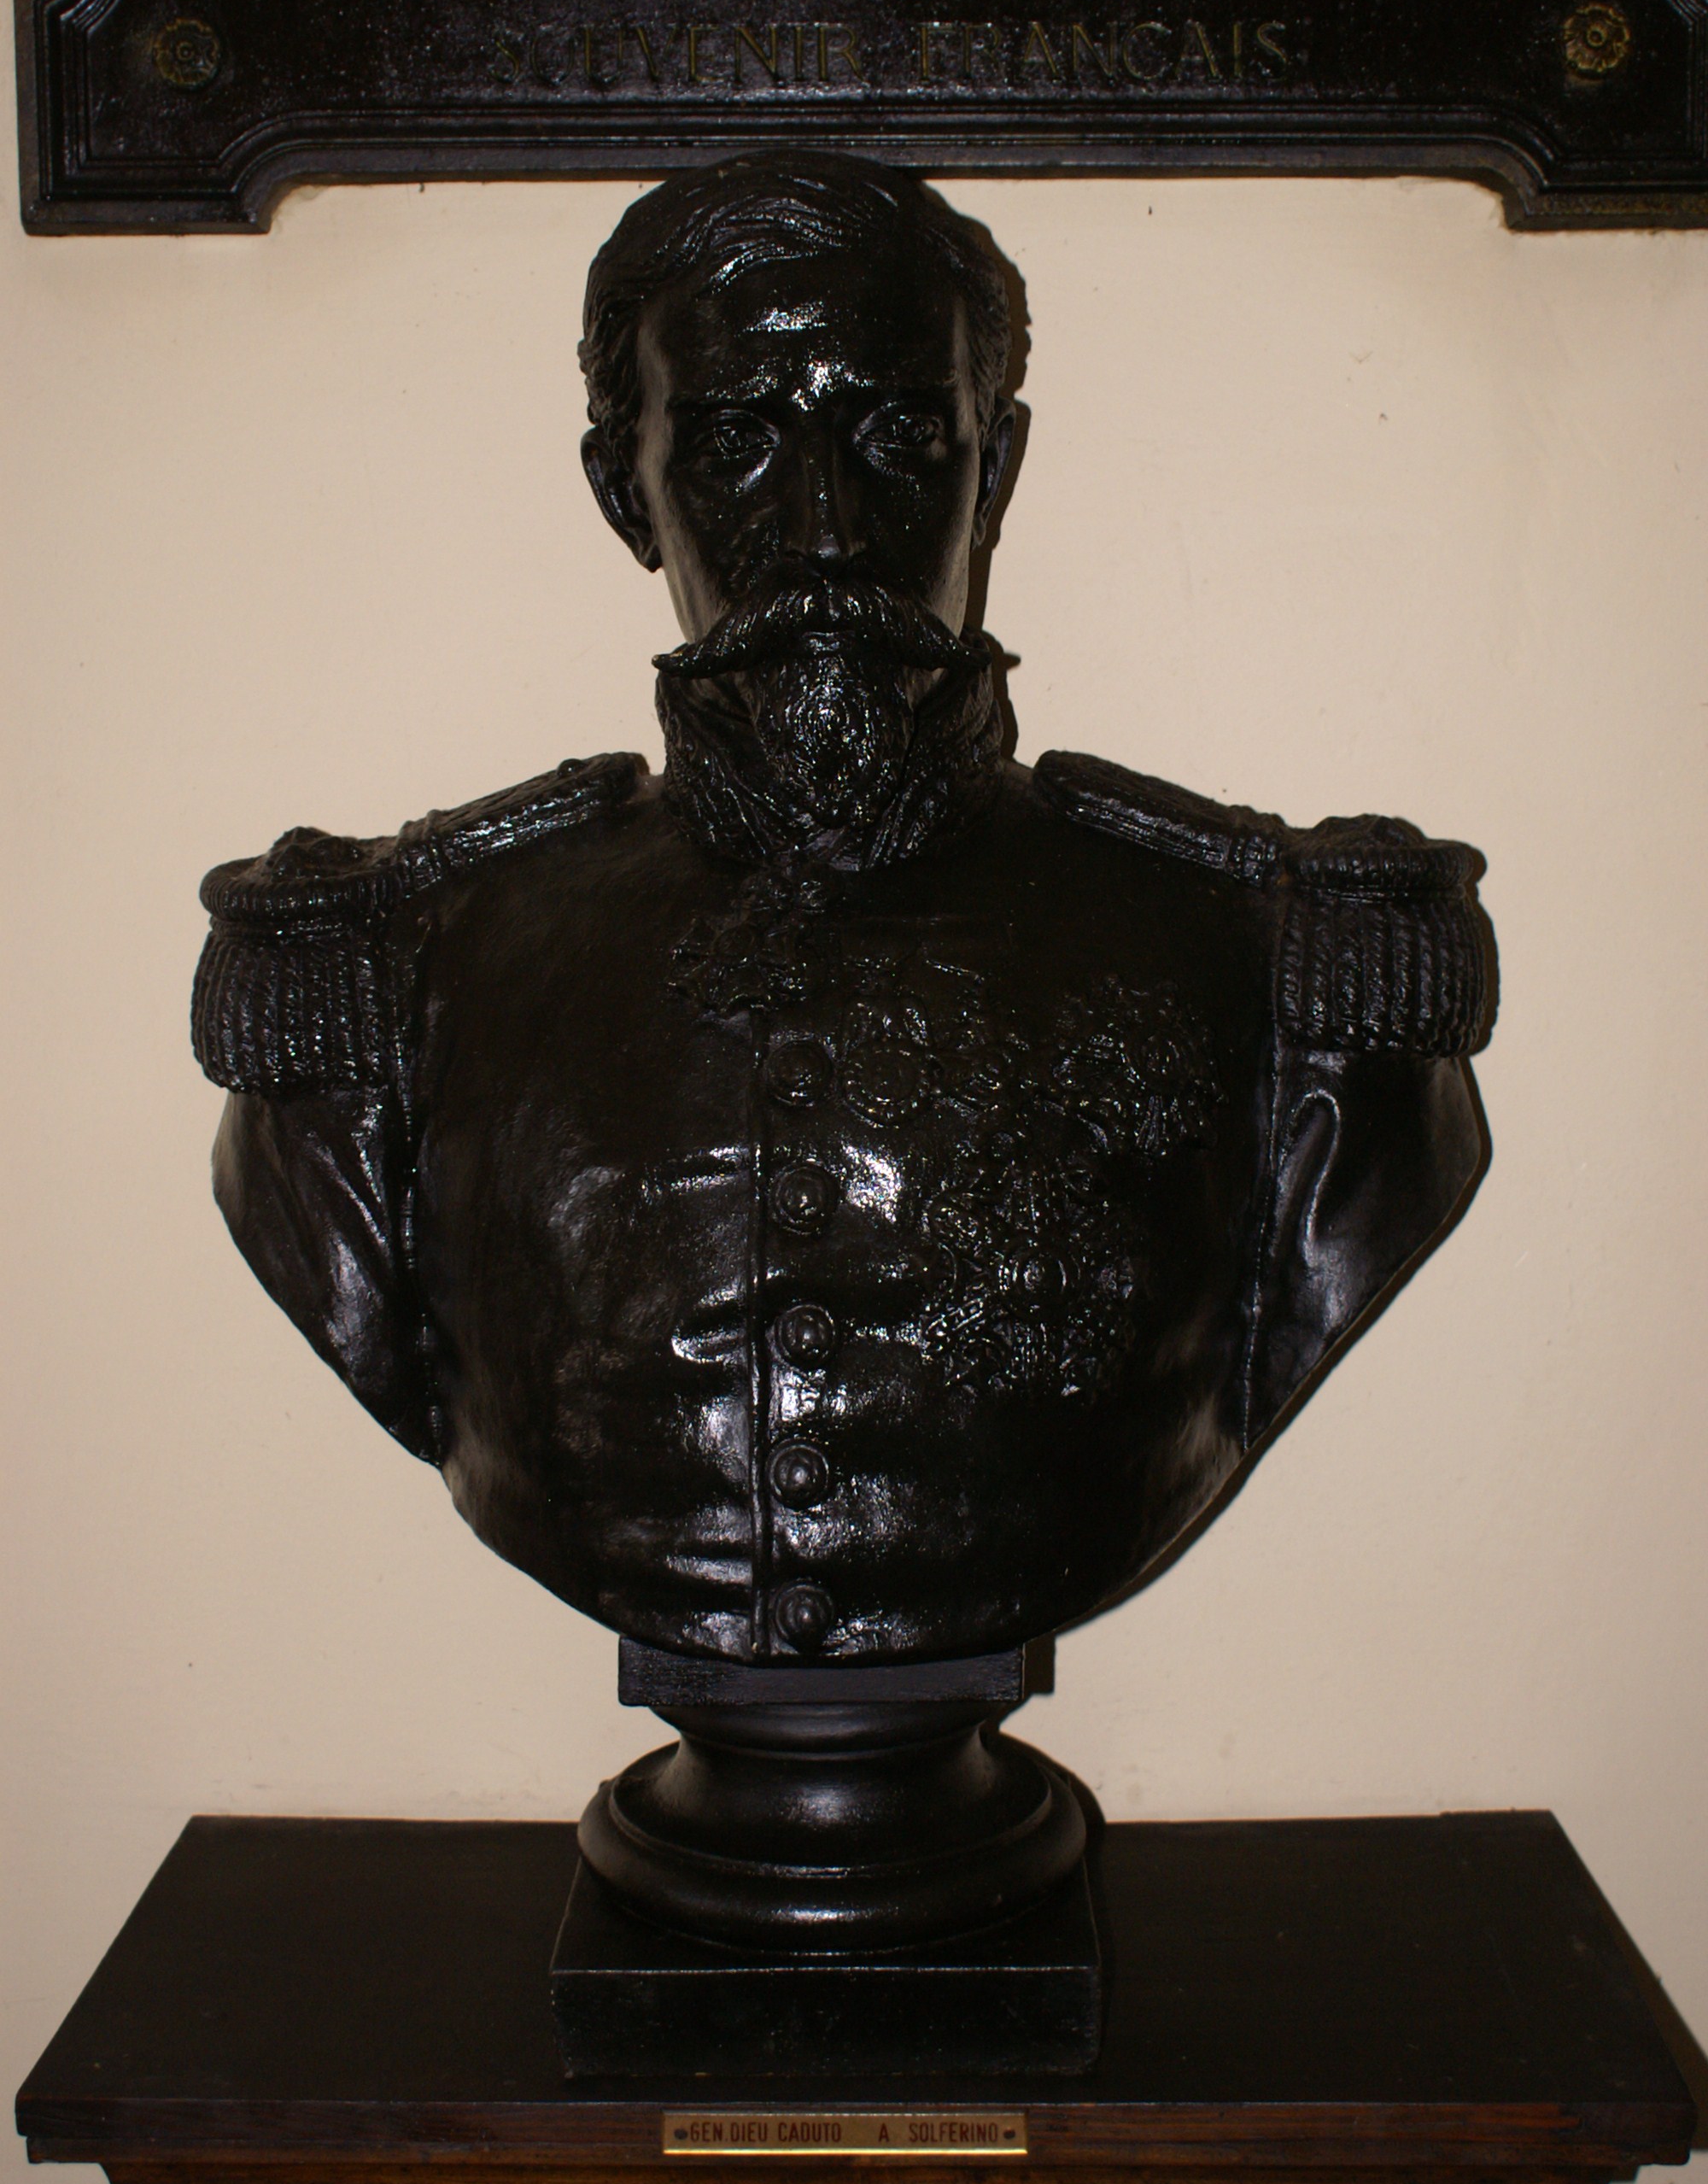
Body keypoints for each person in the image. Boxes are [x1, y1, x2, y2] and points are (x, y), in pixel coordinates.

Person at [193, 153, 1494, 1666]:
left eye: (897, 434)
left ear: (990, 470)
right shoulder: (396, 967)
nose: (826, 530)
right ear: (623, 490)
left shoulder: (1275, 963)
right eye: (738, 440)